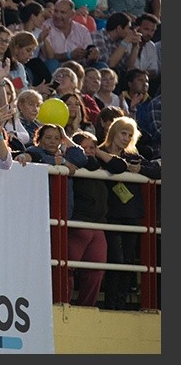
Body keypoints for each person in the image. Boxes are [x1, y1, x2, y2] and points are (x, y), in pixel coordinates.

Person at [98, 116, 161, 310]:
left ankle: (120, 303)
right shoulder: (100, 152)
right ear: (113, 133)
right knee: (115, 259)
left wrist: (139, 169)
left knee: (127, 262)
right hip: (110, 214)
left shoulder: (133, 156)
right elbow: (114, 166)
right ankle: (110, 304)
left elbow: (158, 171)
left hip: (132, 214)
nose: (126, 138)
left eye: (130, 135)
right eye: (123, 133)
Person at [67, 131, 127, 306]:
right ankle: (62, 303)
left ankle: (87, 307)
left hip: (99, 225)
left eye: (91, 147)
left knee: (96, 272)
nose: (88, 151)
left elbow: (119, 166)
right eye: (83, 147)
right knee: (67, 268)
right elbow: (88, 163)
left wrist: (98, 151)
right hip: (78, 223)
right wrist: (83, 153)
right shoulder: (74, 162)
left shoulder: (99, 163)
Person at [40, 0, 98, 74]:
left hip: (78, 68)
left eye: (62, 12)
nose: (57, 16)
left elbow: (87, 53)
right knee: (52, 63)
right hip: (56, 67)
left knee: (100, 65)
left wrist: (92, 56)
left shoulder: (82, 30)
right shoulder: (45, 26)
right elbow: (49, 56)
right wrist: (69, 55)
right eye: (56, 11)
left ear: (72, 14)